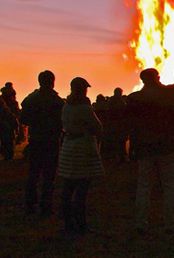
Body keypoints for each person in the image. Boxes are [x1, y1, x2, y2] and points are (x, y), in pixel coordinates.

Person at [127, 67, 174, 234]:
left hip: (145, 147)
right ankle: (170, 224)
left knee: (144, 185)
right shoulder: (168, 94)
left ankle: (140, 223)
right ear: (157, 78)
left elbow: (131, 124)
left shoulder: (134, 99)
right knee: (169, 186)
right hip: (167, 146)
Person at [57, 77, 104, 234]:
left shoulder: (66, 107)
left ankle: (68, 221)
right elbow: (97, 127)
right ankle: (81, 223)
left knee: (68, 187)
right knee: (82, 189)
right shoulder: (84, 108)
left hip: (69, 148)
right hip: (82, 149)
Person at [20, 71, 65, 216]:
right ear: (52, 81)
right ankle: (46, 206)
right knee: (49, 176)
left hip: (36, 140)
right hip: (51, 141)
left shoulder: (31, 99)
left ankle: (30, 205)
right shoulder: (57, 101)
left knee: (33, 174)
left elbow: (23, 119)